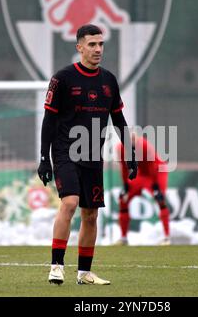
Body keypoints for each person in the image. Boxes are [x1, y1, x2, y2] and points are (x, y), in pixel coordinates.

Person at [37, 24, 137, 286]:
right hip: (65, 151)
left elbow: (119, 119)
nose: (98, 49)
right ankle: (56, 266)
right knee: (69, 203)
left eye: (101, 44)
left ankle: (84, 273)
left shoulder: (108, 81)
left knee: (90, 214)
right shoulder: (63, 79)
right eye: (92, 44)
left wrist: (130, 154)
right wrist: (44, 157)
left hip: (93, 153)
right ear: (79, 47)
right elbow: (48, 120)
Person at [115, 134, 171, 246]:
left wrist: (156, 187)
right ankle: (123, 238)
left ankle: (167, 237)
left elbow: (152, 166)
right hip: (141, 173)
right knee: (123, 199)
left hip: (157, 170)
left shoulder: (144, 146)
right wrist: (125, 185)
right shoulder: (120, 148)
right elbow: (124, 168)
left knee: (160, 198)